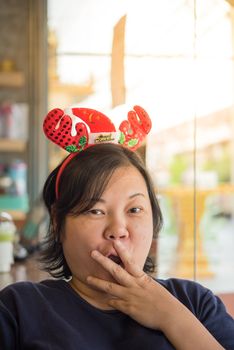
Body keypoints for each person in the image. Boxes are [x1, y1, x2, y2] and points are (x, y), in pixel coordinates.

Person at [0, 105, 233, 350]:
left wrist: (171, 317)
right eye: (95, 211)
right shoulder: (18, 310)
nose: (118, 230)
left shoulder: (195, 303)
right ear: (58, 223)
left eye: (134, 210)